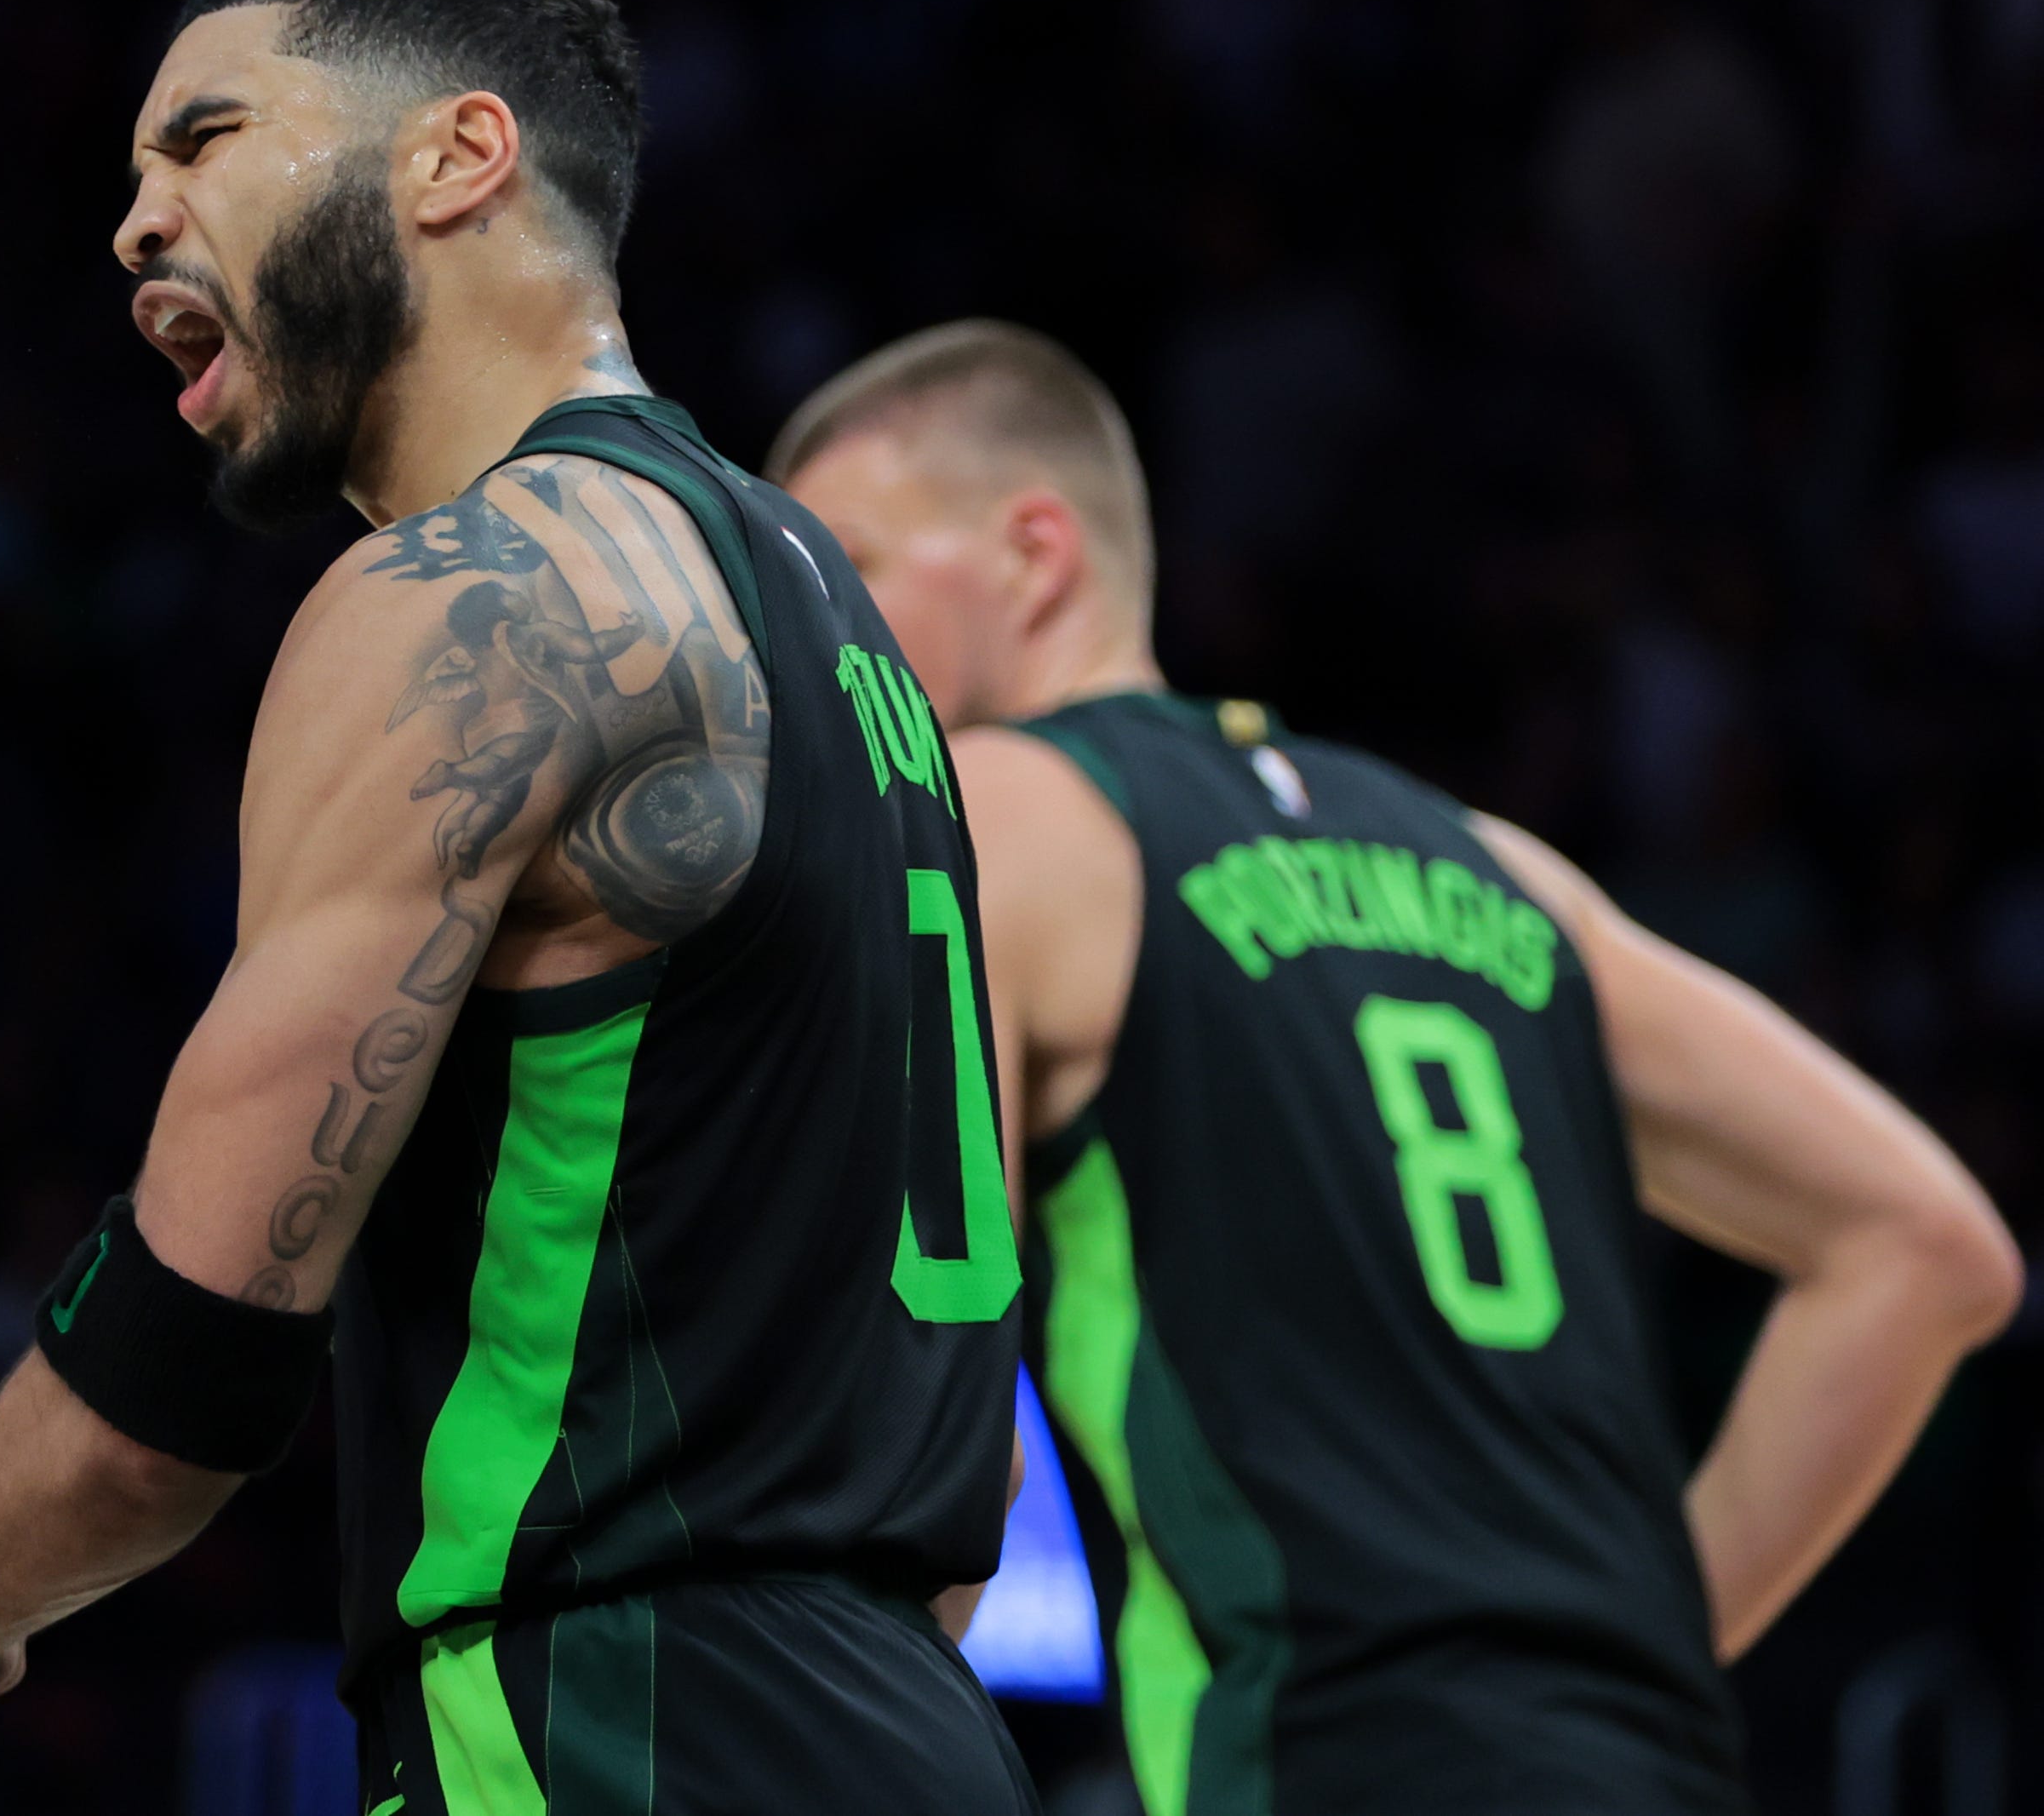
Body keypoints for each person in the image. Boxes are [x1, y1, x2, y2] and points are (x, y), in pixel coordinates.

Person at [0, 0, 1035, 1813]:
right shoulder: (834, 622)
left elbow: (179, 1370)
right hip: (908, 1723)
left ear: (458, 155)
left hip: (600, 1720)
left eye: (203, 137)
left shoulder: (476, 596)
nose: (133, 222)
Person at [770, 318, 2025, 1816]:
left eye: (847, 571)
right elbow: (1930, 1243)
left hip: (1324, 1753)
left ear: (1034, 552)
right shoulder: (1500, 866)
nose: (814, 646)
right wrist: (1648, 1654)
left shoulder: (988, 813)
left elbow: (929, 1427)